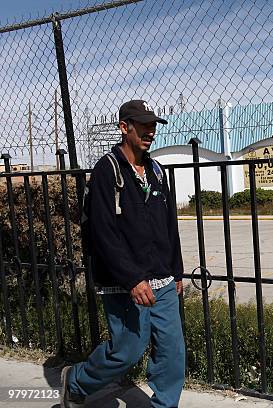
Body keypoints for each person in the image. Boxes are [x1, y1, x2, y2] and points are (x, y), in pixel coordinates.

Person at [61, 100, 185, 408]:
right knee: (127, 350)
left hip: (162, 277)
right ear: (124, 127)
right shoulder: (108, 170)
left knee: (172, 352)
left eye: (153, 125)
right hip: (124, 282)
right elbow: (103, 233)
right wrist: (132, 279)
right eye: (143, 125)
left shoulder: (156, 170)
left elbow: (169, 225)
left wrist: (177, 271)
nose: (150, 131)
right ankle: (76, 382)